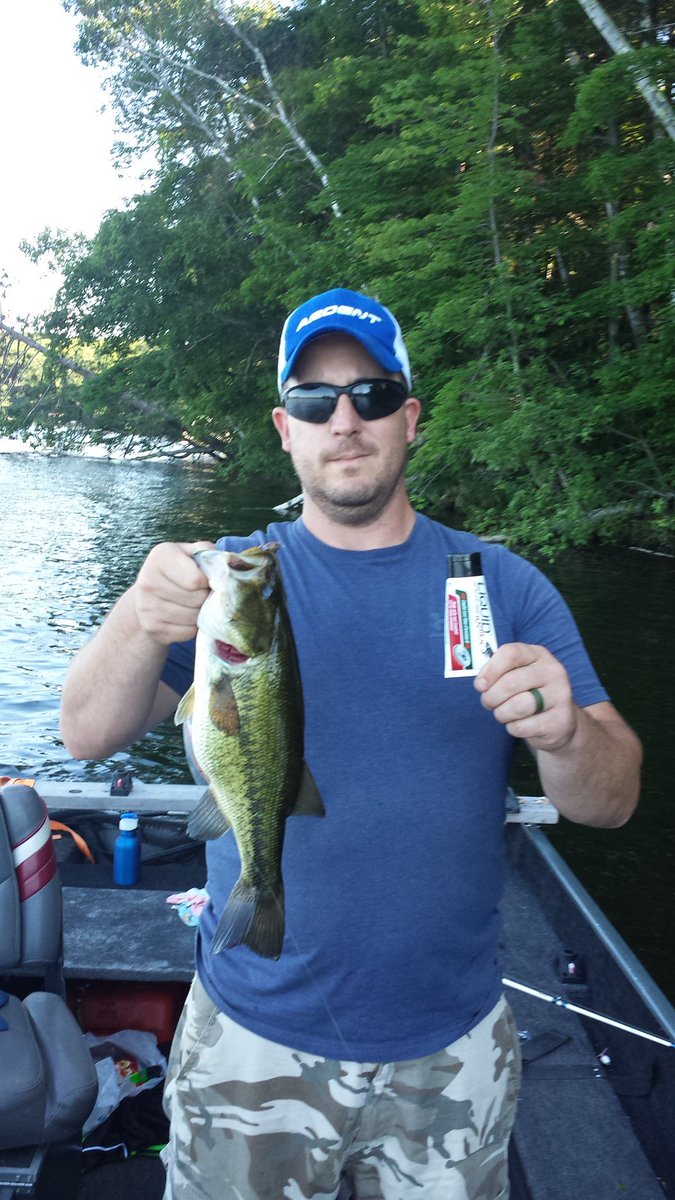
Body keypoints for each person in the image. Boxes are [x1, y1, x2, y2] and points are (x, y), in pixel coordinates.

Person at [60, 287, 642, 1200]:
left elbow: (609, 801)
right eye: (313, 400)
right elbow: (85, 735)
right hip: (249, 1036)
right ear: (283, 429)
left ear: (408, 420)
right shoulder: (230, 580)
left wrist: (565, 733)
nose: (344, 420)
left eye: (372, 396)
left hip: (452, 1049)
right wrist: (138, 621)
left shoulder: (498, 584)